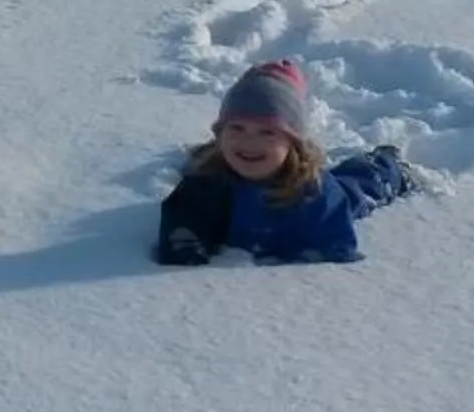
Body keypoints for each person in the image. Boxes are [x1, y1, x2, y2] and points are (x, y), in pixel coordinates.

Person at [153, 59, 414, 266]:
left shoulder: (314, 191)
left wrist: (299, 255)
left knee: (358, 187)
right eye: (237, 128)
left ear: (292, 143)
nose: (249, 141)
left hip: (323, 192)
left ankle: (387, 165)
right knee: (205, 162)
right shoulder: (205, 180)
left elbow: (333, 241)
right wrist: (185, 242)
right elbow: (183, 215)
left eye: (267, 132)